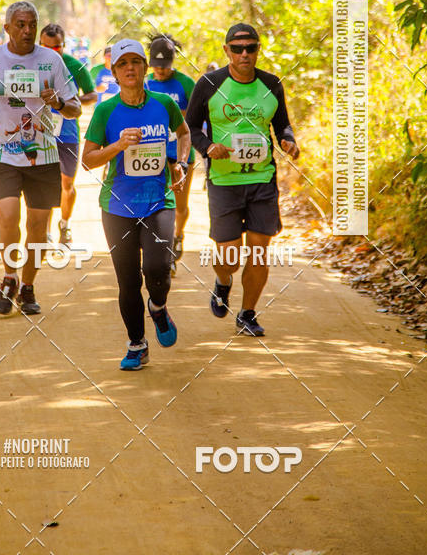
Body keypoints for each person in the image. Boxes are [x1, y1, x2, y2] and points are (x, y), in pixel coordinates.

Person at [0, 1, 81, 316]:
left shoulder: (51, 61)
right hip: (1, 151)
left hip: (42, 155)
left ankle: (27, 286)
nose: (27, 30)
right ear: (7, 28)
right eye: (20, 24)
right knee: (8, 216)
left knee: (38, 227)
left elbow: (75, 107)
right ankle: (9, 276)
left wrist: (58, 103)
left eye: (32, 24)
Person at [82, 39, 190, 370]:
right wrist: (117, 145)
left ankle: (157, 307)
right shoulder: (105, 110)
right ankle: (137, 344)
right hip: (117, 207)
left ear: (145, 67)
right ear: (114, 73)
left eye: (135, 62)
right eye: (122, 64)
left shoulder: (164, 104)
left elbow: (184, 133)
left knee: (157, 269)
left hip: (158, 201)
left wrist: (181, 162)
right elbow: (87, 160)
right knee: (128, 281)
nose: (130, 68)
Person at [185, 23, 299, 336]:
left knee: (259, 251)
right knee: (230, 257)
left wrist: (289, 141)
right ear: (227, 51)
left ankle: (248, 314)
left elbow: (283, 125)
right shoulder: (210, 84)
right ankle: (223, 281)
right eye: (237, 49)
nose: (244, 54)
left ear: (258, 50)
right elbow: (189, 127)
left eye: (251, 48)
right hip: (224, 182)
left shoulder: (271, 84)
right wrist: (208, 147)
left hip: (262, 179)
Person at [39, 23, 97, 246]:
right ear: (40, 44)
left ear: (64, 45)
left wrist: (67, 101)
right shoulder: (32, 64)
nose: (53, 51)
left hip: (68, 132)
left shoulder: (75, 66)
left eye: (57, 47)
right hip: (40, 132)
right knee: (44, 182)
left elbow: (92, 95)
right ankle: (44, 231)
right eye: (47, 47)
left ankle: (65, 224)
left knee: (66, 183)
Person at [145, 34, 196, 274]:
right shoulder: (145, 84)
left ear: (173, 62)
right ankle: (161, 248)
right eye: (156, 65)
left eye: (165, 66)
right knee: (154, 203)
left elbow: (197, 118)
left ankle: (178, 236)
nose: (160, 70)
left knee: (179, 203)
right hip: (152, 153)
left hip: (181, 153)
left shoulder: (186, 84)